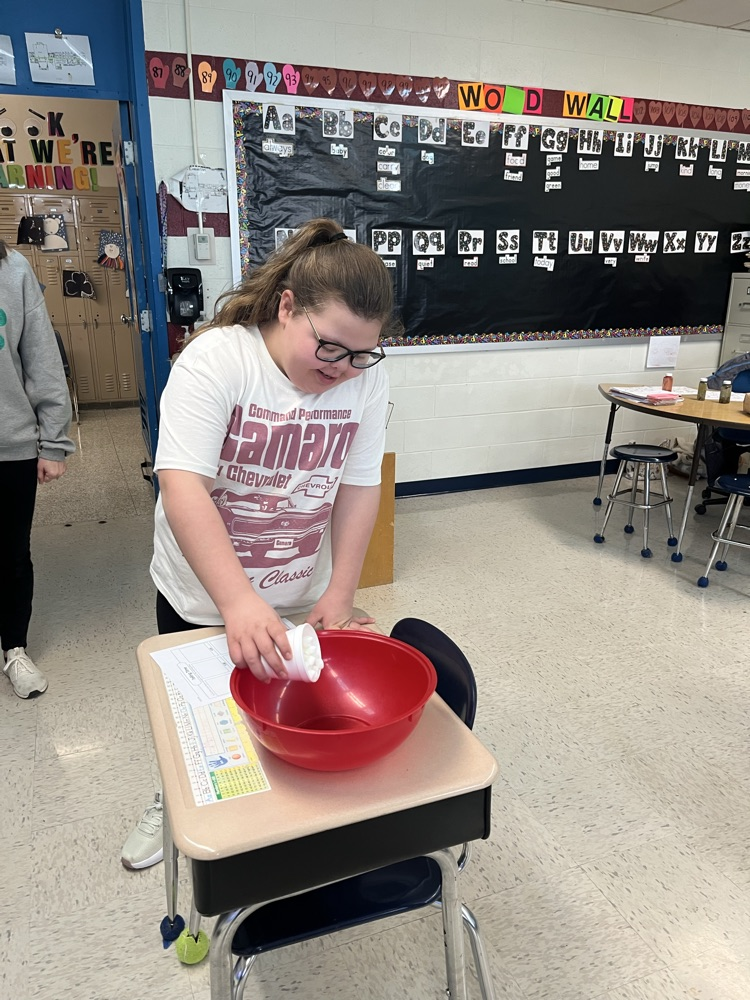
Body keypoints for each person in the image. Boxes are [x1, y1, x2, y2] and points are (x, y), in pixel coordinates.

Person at [122, 218, 396, 869]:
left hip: (298, 589)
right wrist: (238, 601)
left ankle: (274, 820)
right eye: (330, 348)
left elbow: (360, 486)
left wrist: (340, 591)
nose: (344, 369)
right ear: (287, 306)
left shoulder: (363, 377)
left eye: (362, 354)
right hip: (204, 595)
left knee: (284, 716)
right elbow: (182, 486)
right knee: (199, 726)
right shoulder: (218, 359)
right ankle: (172, 801)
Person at [0, 240, 74, 697]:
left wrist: (53, 442)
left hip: (10, 445)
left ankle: (14, 648)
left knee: (11, 555)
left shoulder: (13, 269)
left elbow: (41, 358)